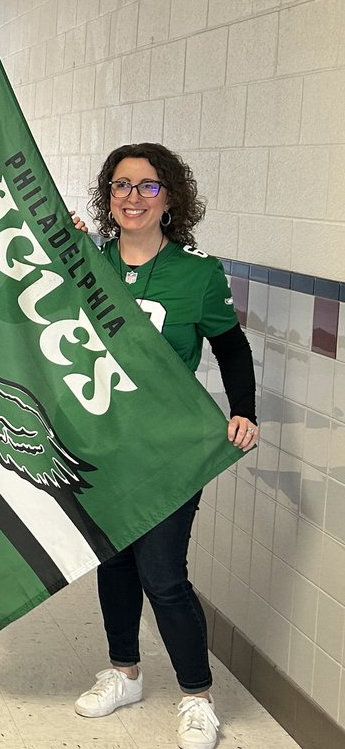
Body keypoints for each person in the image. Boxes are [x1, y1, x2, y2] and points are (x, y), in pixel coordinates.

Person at [71, 143, 258, 749]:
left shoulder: (197, 273)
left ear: (170, 197)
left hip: (170, 448)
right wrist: (58, 247)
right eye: (121, 186)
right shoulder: (86, 263)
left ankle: (198, 697)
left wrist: (244, 410)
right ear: (108, 196)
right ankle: (123, 672)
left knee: (163, 572)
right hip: (102, 441)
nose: (133, 197)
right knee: (114, 560)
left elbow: (231, 346)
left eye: (148, 186)